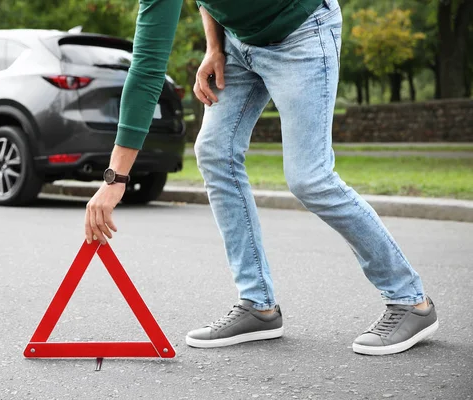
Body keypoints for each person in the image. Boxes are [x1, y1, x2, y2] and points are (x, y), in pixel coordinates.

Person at [84, 0, 439, 355]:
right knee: (214, 152)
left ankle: (411, 301)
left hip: (302, 30)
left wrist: (117, 182)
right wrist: (214, 46)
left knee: (310, 178)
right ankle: (258, 305)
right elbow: (147, 67)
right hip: (239, 45)